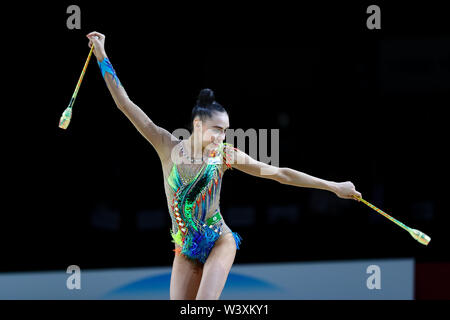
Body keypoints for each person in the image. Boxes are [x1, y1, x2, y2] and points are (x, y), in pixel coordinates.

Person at [86, 31, 362, 300]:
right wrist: (102, 55)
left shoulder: (225, 155)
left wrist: (334, 186)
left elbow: (280, 174)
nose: (221, 137)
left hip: (219, 240)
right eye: (216, 130)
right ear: (197, 125)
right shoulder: (166, 145)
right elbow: (125, 103)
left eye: (225, 131)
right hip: (184, 247)